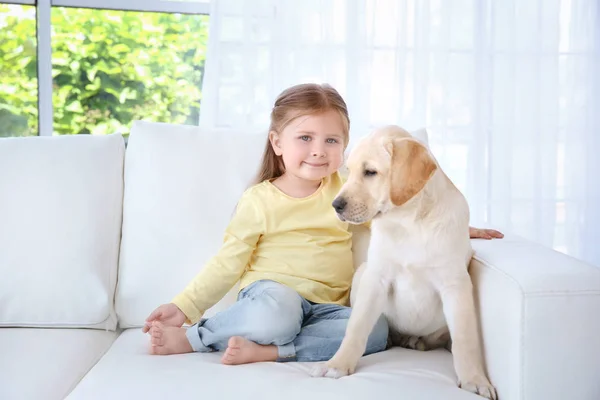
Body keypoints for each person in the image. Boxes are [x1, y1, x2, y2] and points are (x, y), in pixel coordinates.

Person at [142, 83, 503, 366]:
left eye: (331, 140)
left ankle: (273, 353)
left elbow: (390, 217)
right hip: (273, 295)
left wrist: (457, 229)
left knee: (375, 331)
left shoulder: (348, 192)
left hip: (327, 308)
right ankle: (194, 339)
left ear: (345, 146)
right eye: (305, 138)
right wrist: (185, 307)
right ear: (277, 142)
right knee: (278, 316)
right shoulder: (260, 200)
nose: (318, 150)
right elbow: (228, 261)